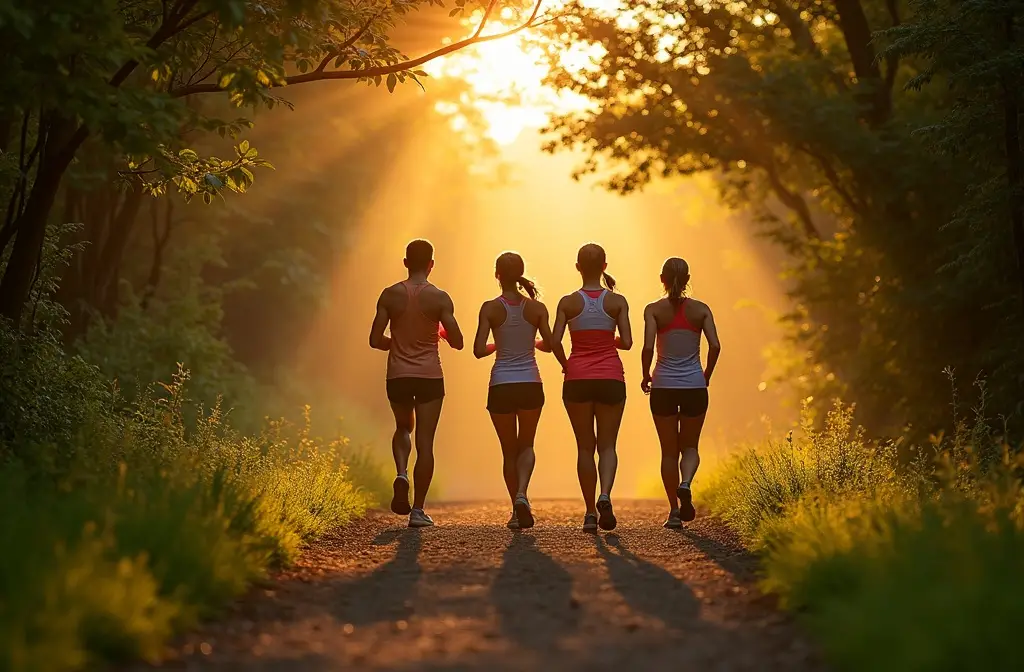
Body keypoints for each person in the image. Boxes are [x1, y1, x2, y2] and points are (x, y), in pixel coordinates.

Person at [369, 239, 464, 528]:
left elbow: (375, 340)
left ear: (406, 262)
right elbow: (459, 341)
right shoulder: (440, 298)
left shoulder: (389, 295)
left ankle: (401, 473)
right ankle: (418, 511)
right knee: (425, 442)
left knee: (402, 427)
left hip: (397, 374)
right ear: (431, 264)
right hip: (429, 377)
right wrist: (442, 334)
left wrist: (397, 344)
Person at [474, 252, 567, 530]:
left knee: (508, 451)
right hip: (530, 383)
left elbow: (479, 350)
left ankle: (516, 510)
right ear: (521, 273)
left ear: (497, 274)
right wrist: (533, 342)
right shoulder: (537, 309)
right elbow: (551, 345)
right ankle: (522, 494)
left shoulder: (490, 308)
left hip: (501, 384)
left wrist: (498, 346)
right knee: (527, 444)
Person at [552, 243, 632, 532]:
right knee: (608, 445)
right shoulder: (617, 302)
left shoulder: (568, 302)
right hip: (611, 378)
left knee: (585, 447)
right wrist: (605, 341)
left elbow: (553, 341)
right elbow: (627, 342)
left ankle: (588, 513)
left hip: (577, 379)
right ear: (604, 266)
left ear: (577, 267)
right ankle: (605, 495)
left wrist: (566, 362)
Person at [640, 257, 721, 528]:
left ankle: (674, 512)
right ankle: (686, 483)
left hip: (663, 386)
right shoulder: (701, 310)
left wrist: (645, 374)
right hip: (694, 387)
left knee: (668, 452)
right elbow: (716, 346)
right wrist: (706, 374)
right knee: (690, 446)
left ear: (661, 279)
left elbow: (648, 348)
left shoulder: (653, 310)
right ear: (687, 279)